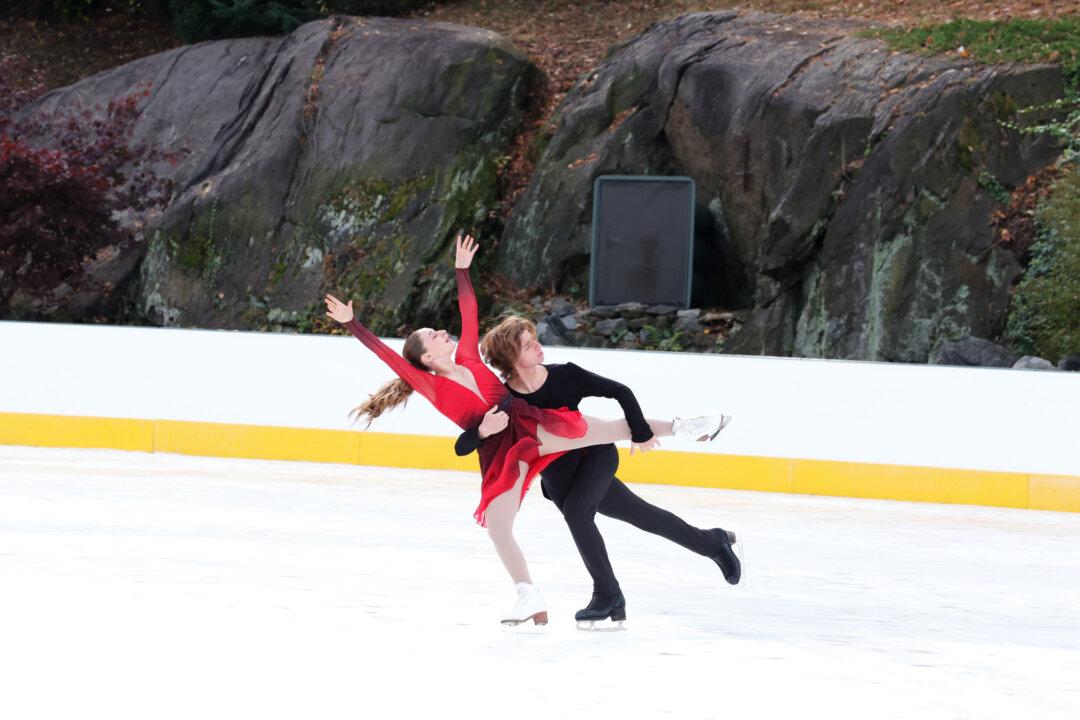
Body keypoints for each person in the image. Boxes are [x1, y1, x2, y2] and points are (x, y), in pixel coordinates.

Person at [324, 234, 729, 626]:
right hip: (500, 452)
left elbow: (469, 312)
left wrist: (462, 271)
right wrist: (353, 324)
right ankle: (529, 596)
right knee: (498, 525)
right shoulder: (429, 384)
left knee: (610, 428)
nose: (441, 331)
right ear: (427, 357)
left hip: (529, 424)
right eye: (432, 335)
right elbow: (387, 357)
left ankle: (691, 426)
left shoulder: (468, 354)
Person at [453, 315, 741, 628]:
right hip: (560, 480)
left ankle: (608, 595)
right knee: (645, 516)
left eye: (534, 338)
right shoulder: (505, 401)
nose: (538, 345)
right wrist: (482, 431)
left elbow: (620, 390)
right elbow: (463, 445)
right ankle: (712, 542)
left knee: (578, 515)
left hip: (596, 458)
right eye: (528, 344)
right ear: (511, 357)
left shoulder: (565, 375)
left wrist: (641, 431)